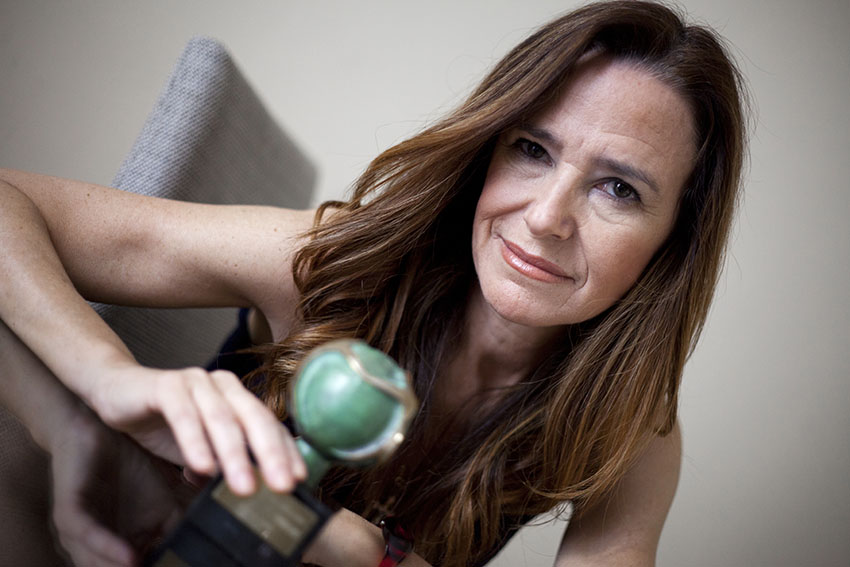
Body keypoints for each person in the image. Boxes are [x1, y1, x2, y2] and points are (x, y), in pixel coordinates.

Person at [0, 1, 748, 565]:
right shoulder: (336, 264)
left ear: (672, 241)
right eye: (532, 149)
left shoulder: (627, 430)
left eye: (618, 189)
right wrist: (99, 394)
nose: (547, 217)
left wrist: (363, 554)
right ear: (488, 149)